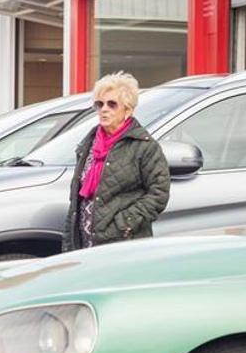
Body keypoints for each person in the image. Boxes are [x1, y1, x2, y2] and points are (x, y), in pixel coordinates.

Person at [63, 71, 170, 250]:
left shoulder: (144, 146)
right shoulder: (88, 144)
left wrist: (124, 224)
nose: (104, 109)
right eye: (100, 104)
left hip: (123, 243)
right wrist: (69, 240)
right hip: (84, 241)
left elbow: (159, 194)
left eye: (112, 104)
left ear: (127, 109)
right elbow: (76, 199)